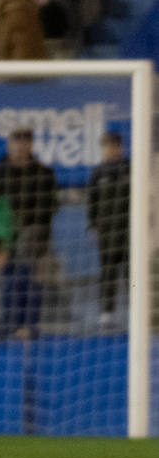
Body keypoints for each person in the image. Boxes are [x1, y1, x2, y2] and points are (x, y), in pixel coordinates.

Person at [0, 127, 56, 260]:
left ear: (31, 145)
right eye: (16, 141)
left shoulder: (44, 173)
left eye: (25, 141)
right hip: (2, 227)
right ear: (9, 144)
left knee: (27, 241)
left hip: (32, 230)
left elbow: (47, 208)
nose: (20, 145)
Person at [86, 131, 129, 327]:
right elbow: (92, 201)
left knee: (131, 272)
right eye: (106, 146)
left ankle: (135, 310)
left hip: (130, 231)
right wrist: (93, 224)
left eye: (114, 146)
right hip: (107, 232)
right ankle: (107, 312)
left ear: (120, 147)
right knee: (108, 272)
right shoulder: (98, 172)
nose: (110, 150)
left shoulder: (130, 168)